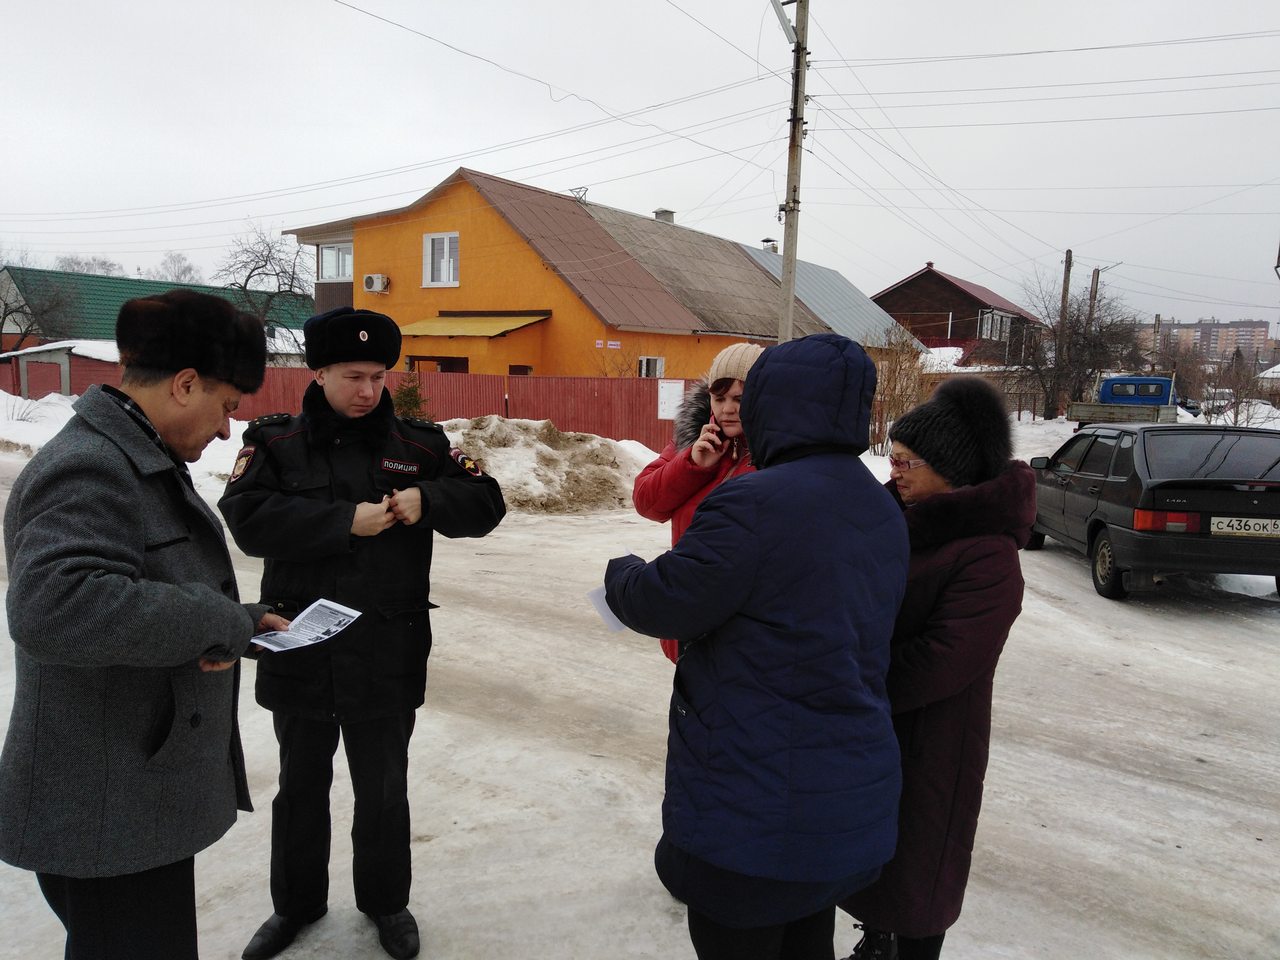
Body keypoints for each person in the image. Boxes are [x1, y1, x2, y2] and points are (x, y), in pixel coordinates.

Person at [604, 333, 910, 960]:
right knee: (805, 938)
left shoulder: (754, 501)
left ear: (778, 403)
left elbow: (659, 600)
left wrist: (622, 570)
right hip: (842, 795)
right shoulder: (876, 503)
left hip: (755, 800)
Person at [0, 290, 282, 960]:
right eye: (226, 406)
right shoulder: (91, 465)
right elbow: (54, 606)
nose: (224, 432)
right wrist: (214, 620)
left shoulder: (133, 457)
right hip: (104, 810)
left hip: (126, 798)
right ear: (186, 384)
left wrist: (233, 625)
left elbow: (141, 591)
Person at [218, 306, 506, 960]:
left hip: (387, 651)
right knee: (300, 790)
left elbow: (487, 503)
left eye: (379, 376)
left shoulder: (421, 446)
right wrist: (344, 520)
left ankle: (385, 904)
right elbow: (246, 517)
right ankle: (295, 906)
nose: (369, 391)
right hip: (300, 646)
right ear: (318, 373)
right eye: (353, 376)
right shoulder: (275, 443)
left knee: (382, 792)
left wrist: (430, 501)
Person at [838, 377, 1036, 960]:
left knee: (922, 859)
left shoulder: (987, 553)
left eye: (907, 462)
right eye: (893, 459)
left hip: (934, 739)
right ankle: (877, 942)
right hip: (876, 725)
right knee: (872, 853)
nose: (894, 471)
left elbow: (946, 659)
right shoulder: (900, 521)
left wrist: (854, 678)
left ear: (949, 468)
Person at [631, 342, 763, 662]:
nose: (728, 409)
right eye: (719, 399)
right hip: (687, 617)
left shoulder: (773, 458)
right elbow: (647, 503)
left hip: (738, 634)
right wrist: (692, 463)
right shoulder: (694, 441)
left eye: (740, 400)